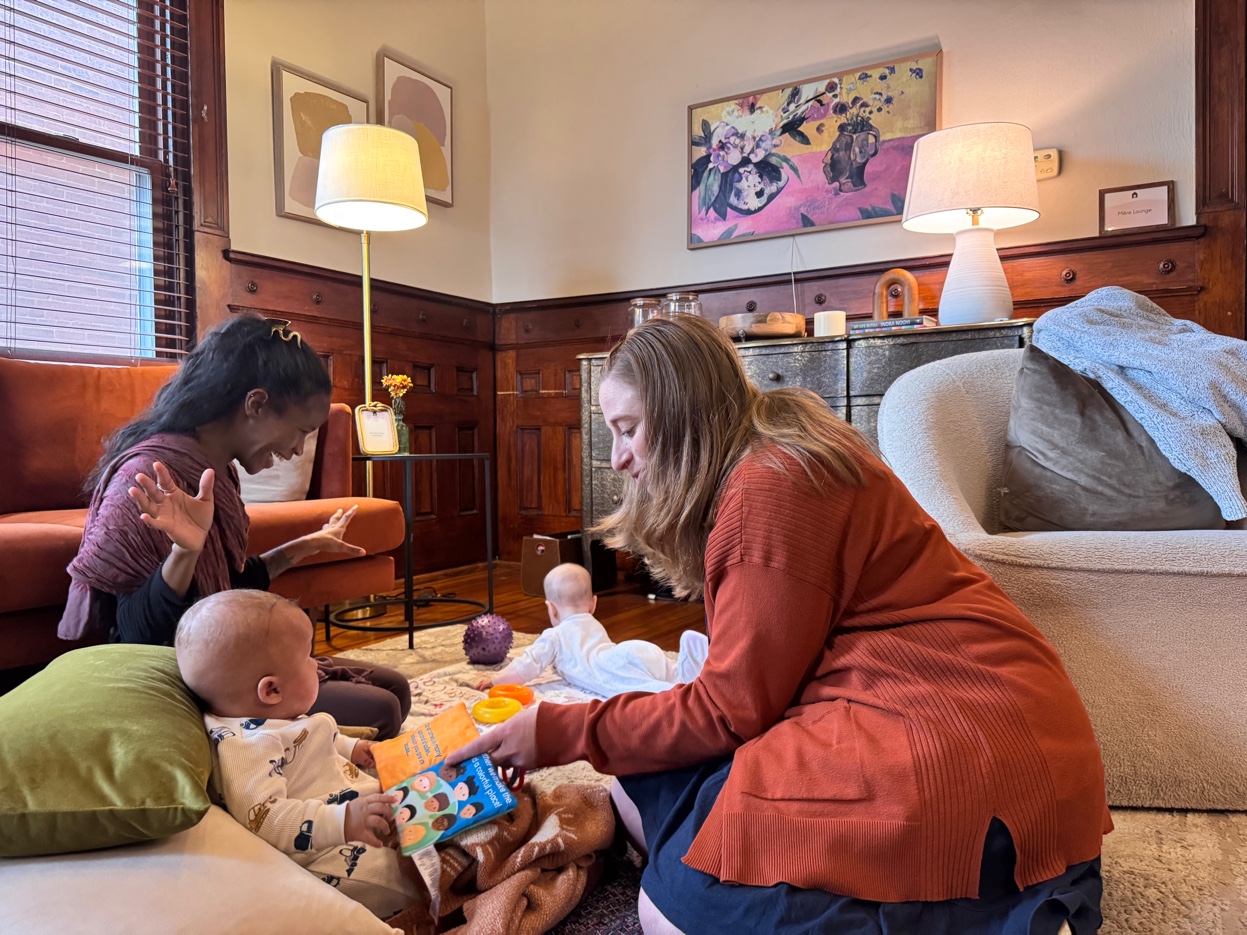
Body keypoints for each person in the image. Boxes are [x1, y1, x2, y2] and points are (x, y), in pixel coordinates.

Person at [450, 315, 1110, 935]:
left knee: (666, 912)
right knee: (633, 788)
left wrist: (558, 729)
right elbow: (744, 692)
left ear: (681, 416)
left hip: (952, 726)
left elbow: (727, 712)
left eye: (628, 429)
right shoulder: (770, 458)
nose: (618, 457)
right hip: (931, 705)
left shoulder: (768, 487)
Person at [59, 313, 411, 739]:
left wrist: (303, 547)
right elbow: (136, 638)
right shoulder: (148, 477)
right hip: (189, 678)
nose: (298, 448)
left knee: (395, 689)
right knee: (382, 710)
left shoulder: (216, 471)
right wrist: (184, 552)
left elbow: (226, 596)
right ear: (256, 404)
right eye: (300, 431)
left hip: (224, 656)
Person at [175, 590, 420, 922]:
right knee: (409, 882)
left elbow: (315, 739)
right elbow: (265, 817)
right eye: (308, 657)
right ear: (271, 690)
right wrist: (343, 821)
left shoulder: (274, 715)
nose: (317, 664)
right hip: (330, 849)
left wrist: (352, 749)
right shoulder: (247, 747)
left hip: (360, 806)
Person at [475, 563, 707, 697]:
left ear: (551, 609)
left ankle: (688, 691)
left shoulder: (554, 636)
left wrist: (498, 680)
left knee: (646, 691)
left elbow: (528, 664)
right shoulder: (592, 622)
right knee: (667, 670)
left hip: (612, 665)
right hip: (634, 650)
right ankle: (689, 667)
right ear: (593, 604)